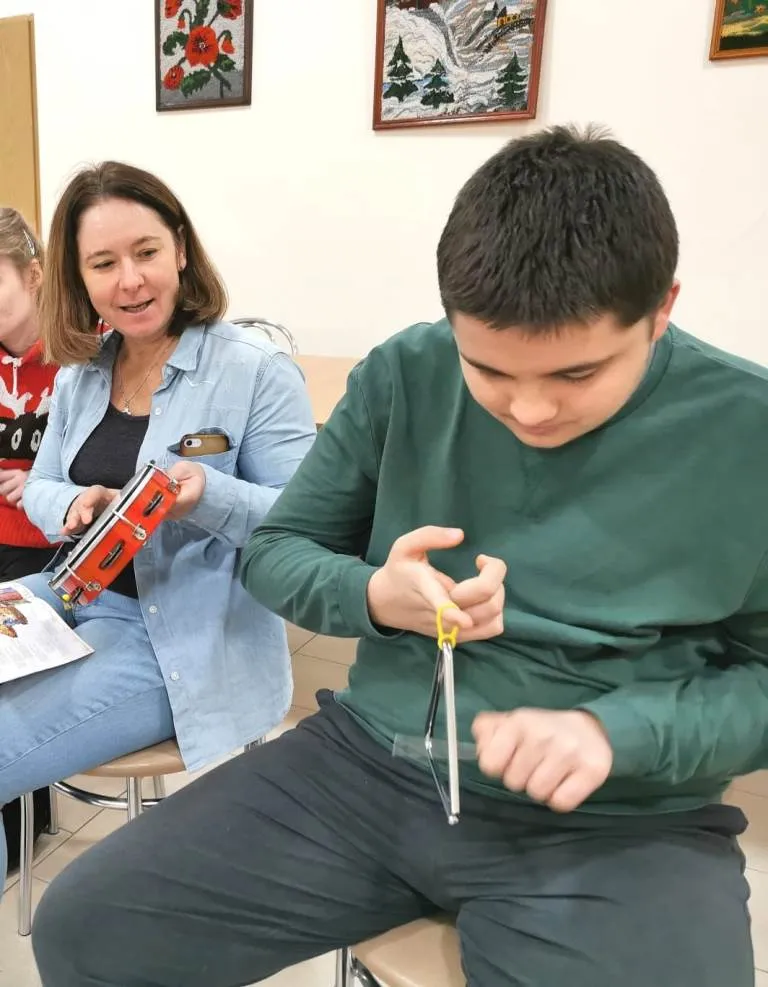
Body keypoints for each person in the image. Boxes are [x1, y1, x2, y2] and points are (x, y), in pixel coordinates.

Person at [31, 126, 764, 987]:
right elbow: (278, 552)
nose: (528, 412)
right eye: (488, 369)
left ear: (663, 307)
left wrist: (621, 732)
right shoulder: (408, 372)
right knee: (85, 928)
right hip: (374, 765)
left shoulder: (743, 429)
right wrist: (375, 592)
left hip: (622, 822)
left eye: (575, 376)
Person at [0, 162, 316, 890]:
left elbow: (309, 526)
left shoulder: (256, 372)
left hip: (181, 636)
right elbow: (44, 484)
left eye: (144, 252)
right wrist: (70, 506)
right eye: (103, 263)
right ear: (77, 279)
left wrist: (206, 492)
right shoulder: (84, 372)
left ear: (180, 247)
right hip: (73, 593)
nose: (129, 280)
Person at [0, 208, 57, 869]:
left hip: (54, 545)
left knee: (19, 672)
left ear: (36, 276)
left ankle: (24, 815)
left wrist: (47, 479)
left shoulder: (91, 348)